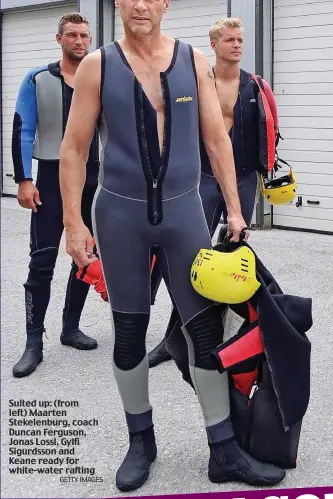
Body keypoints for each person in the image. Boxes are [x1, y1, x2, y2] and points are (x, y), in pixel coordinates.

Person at [59, 0, 286, 492]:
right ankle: (141, 439)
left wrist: (235, 208)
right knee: (128, 332)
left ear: (166, 3)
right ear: (118, 2)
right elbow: (75, 147)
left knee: (204, 333)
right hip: (119, 215)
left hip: (184, 213)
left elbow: (216, 140)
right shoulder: (98, 65)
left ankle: (223, 449)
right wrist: (74, 225)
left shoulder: (192, 61)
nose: (141, 4)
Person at [147, 16, 279, 368]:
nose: (237, 45)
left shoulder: (255, 86)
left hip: (244, 177)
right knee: (192, 257)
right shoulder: (196, 84)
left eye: (240, 39)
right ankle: (174, 337)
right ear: (215, 45)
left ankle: (228, 331)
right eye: (230, 40)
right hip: (202, 177)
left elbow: (268, 130)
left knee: (234, 255)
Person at [11, 13, 99, 379]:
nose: (80, 41)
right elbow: (23, 127)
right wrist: (23, 180)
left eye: (85, 35)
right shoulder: (37, 78)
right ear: (59, 38)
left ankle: (70, 327)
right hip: (49, 176)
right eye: (73, 35)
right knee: (42, 260)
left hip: (94, 176)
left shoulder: (99, 76)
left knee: (86, 257)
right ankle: (34, 341)